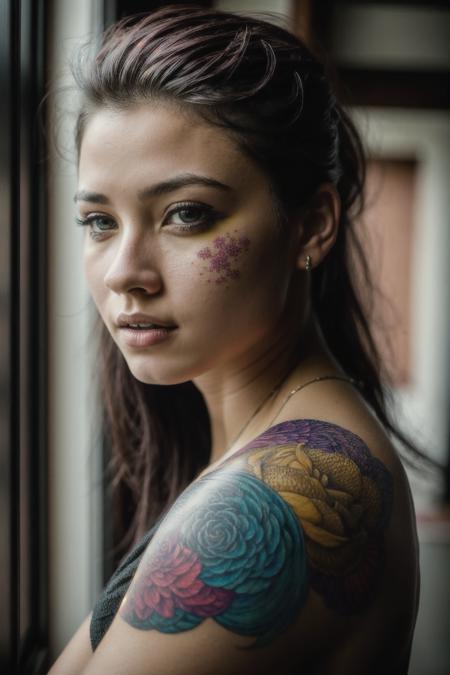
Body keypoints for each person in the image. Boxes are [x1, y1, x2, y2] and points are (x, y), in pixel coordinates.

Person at [48, 5, 420, 674]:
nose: (123, 271)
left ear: (311, 226)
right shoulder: (254, 443)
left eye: (186, 213)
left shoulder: (283, 496)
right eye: (99, 221)